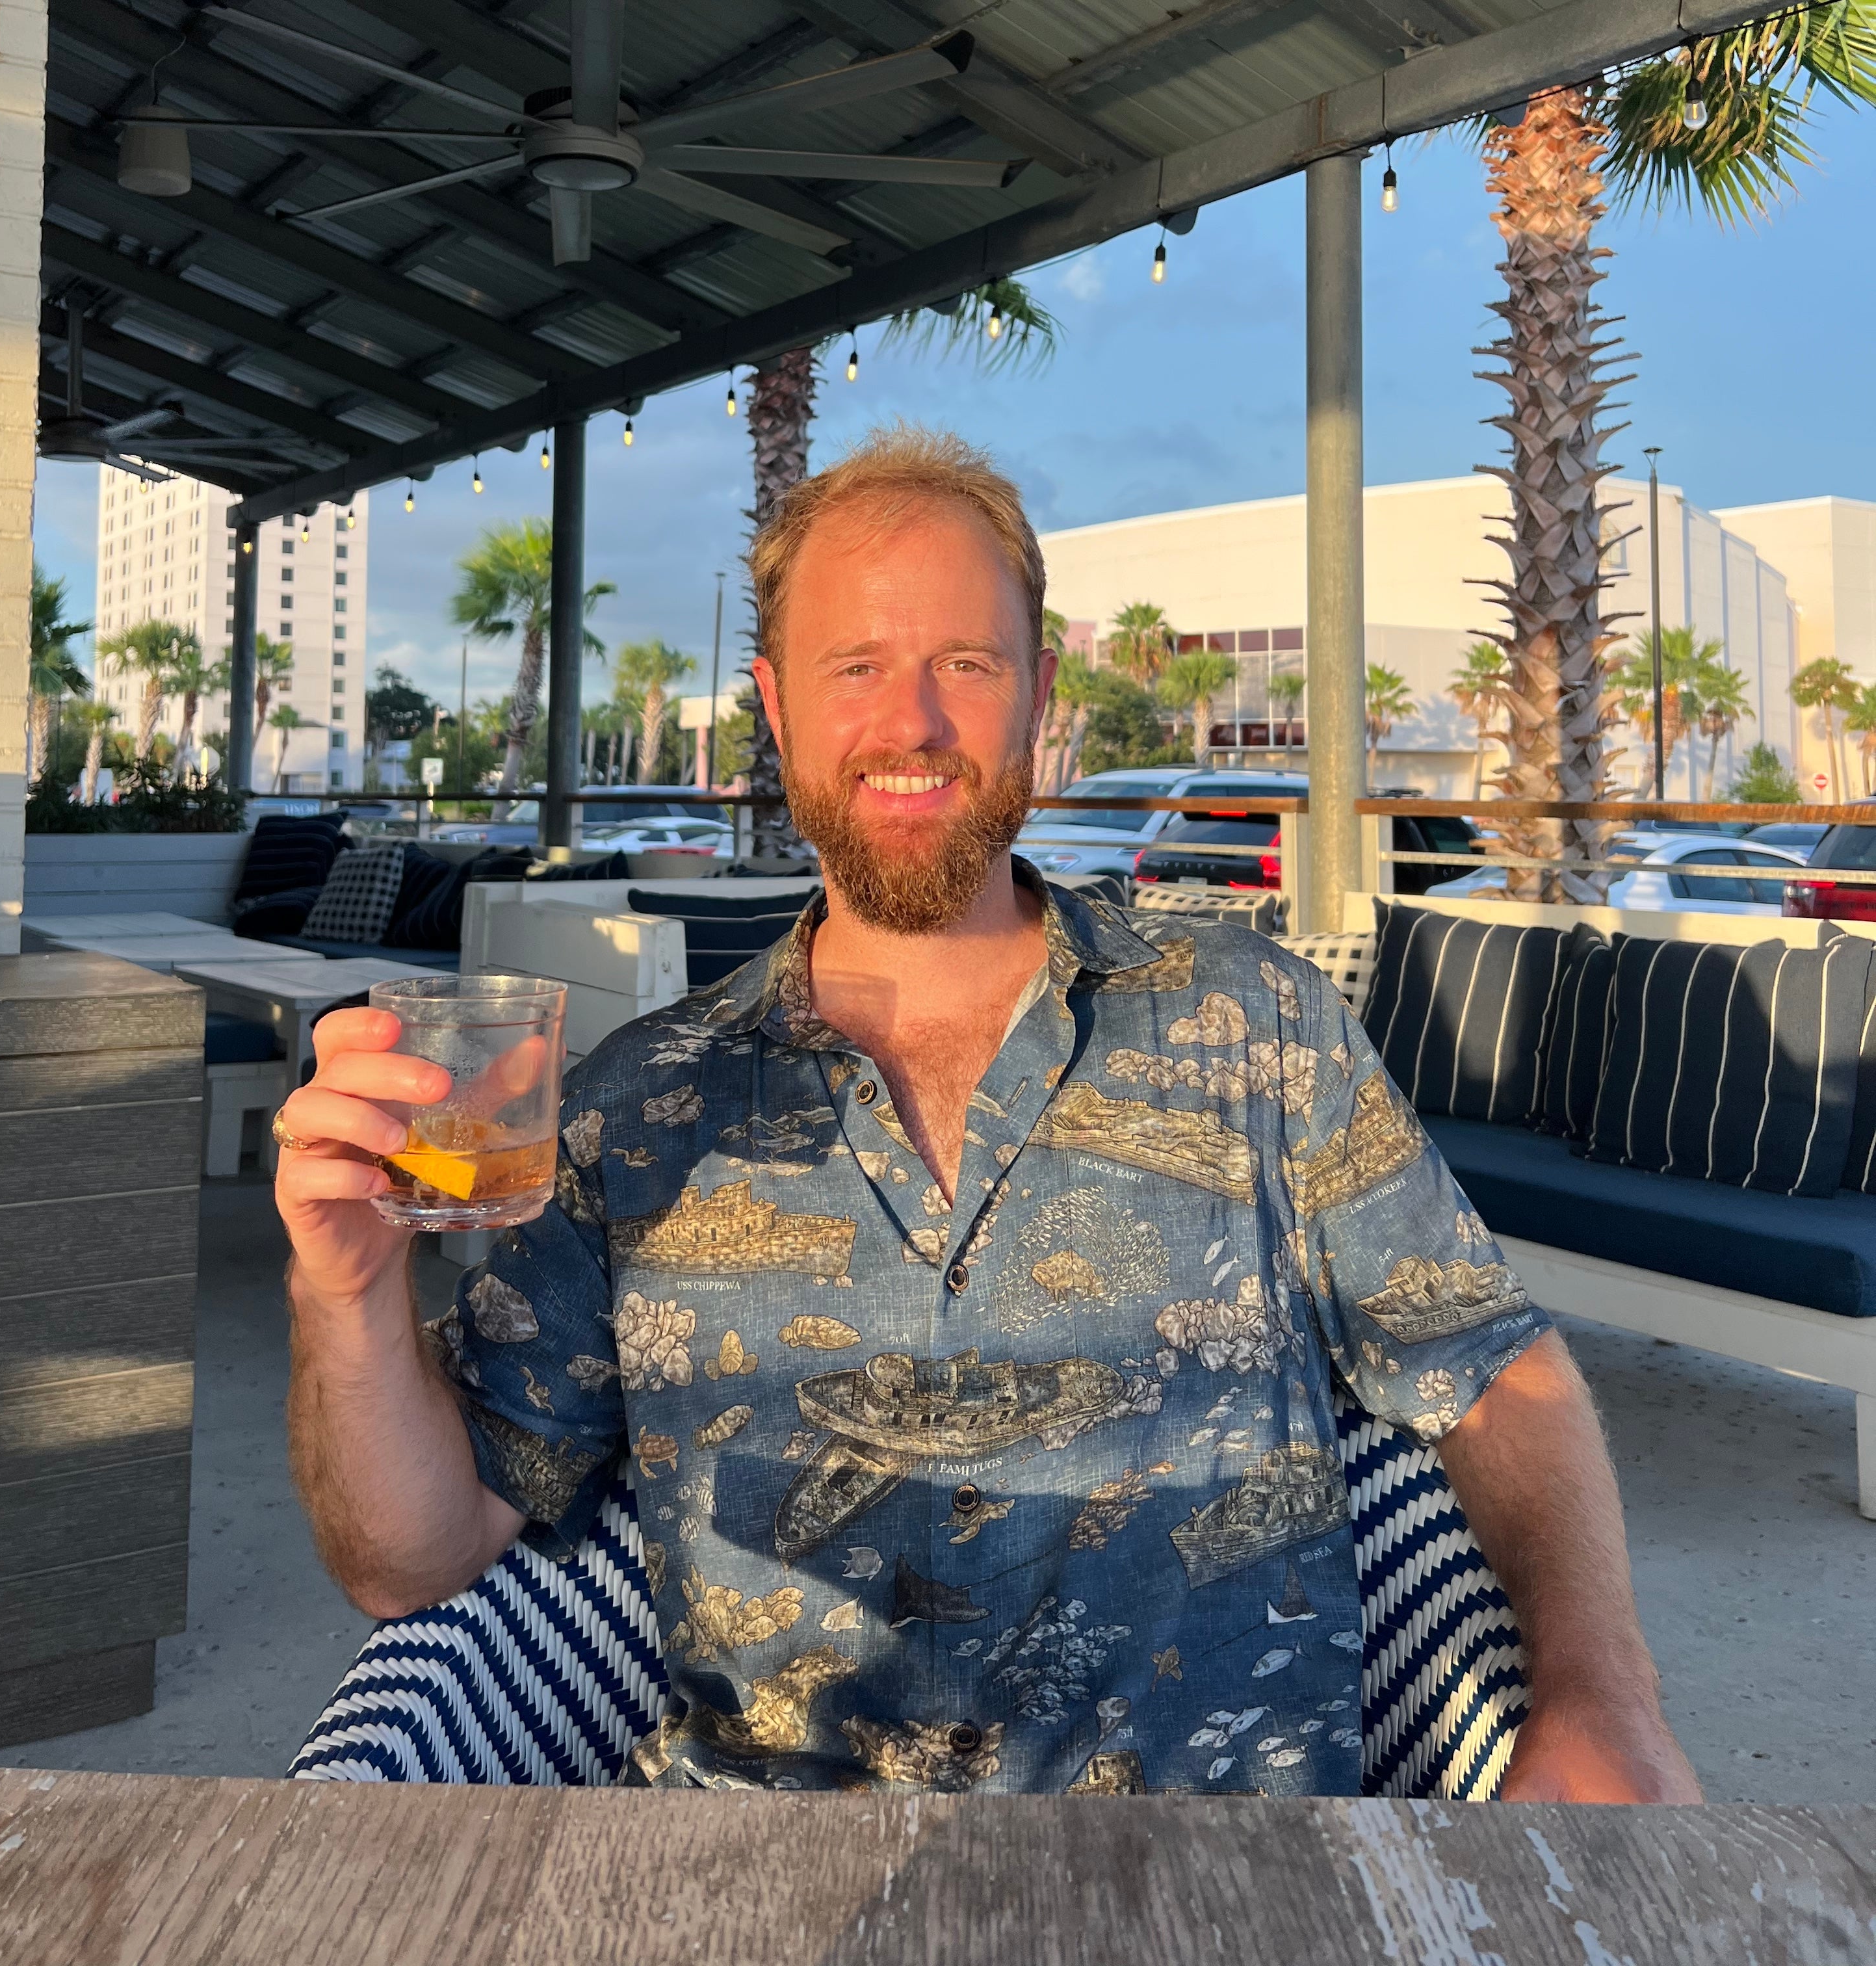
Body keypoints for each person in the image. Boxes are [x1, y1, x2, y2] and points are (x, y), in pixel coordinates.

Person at [276, 425, 1700, 1802]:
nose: (913, 723)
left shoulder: (1254, 1022)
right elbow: (413, 1564)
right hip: (773, 1896)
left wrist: (1598, 1695)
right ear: (776, 710)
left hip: (1227, 1891)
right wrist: (347, 1289)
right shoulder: (639, 1109)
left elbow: (1496, 1371)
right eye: (858, 667)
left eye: (966, 662)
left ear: (1039, 695)